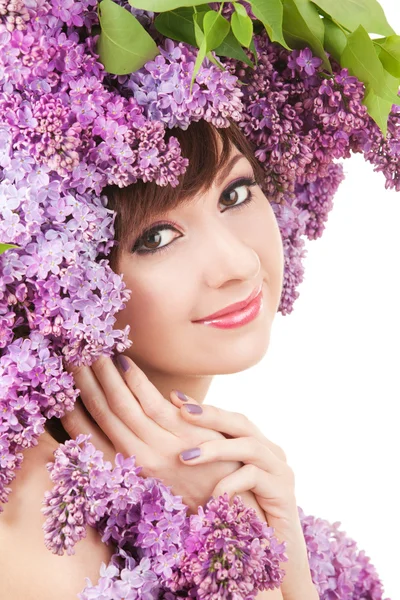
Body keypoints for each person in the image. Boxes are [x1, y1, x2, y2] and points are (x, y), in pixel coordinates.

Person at [0, 120, 318, 599]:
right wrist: (236, 545)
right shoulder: (44, 526)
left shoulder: (204, 470)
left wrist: (285, 559)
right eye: (156, 238)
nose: (239, 264)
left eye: (234, 195)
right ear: (67, 283)